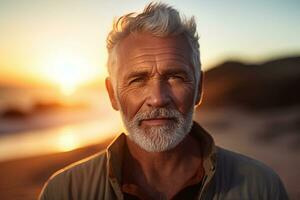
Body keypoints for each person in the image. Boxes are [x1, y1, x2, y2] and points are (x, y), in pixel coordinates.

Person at [39, 2, 289, 200]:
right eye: (138, 79)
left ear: (199, 88)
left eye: (175, 77)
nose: (158, 98)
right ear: (112, 94)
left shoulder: (262, 188)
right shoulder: (66, 191)